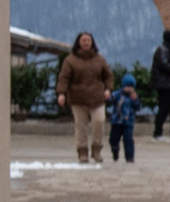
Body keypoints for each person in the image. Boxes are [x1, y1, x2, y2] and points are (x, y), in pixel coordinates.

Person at [54, 32, 113, 164]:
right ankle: (82, 153)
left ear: (92, 42)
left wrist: (108, 89)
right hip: (78, 99)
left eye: (88, 40)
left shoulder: (99, 59)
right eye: (83, 40)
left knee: (99, 121)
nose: (86, 43)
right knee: (81, 127)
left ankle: (96, 150)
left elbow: (108, 75)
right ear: (78, 42)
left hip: (97, 98)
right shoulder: (70, 60)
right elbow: (64, 78)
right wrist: (61, 93)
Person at [106, 74, 140, 165]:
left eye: (131, 86)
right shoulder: (117, 94)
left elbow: (138, 107)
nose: (129, 88)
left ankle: (130, 157)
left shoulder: (133, 96)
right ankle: (115, 151)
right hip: (116, 121)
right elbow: (110, 100)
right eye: (127, 86)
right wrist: (107, 96)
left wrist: (135, 100)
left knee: (128, 139)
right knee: (113, 139)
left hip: (128, 122)